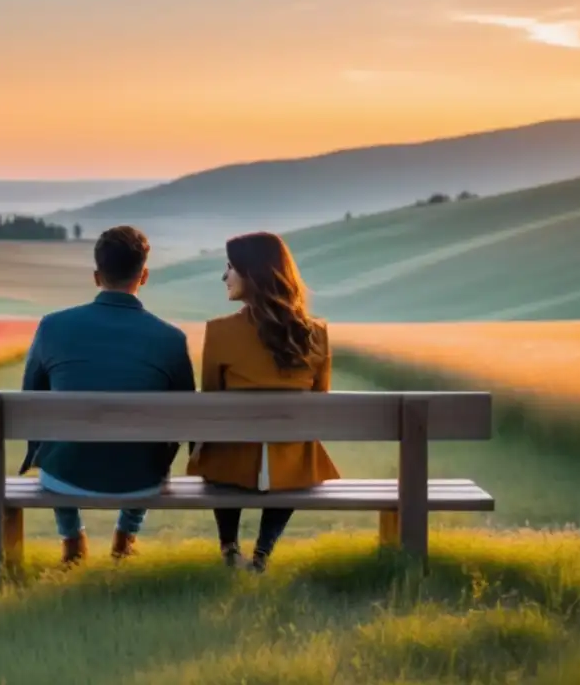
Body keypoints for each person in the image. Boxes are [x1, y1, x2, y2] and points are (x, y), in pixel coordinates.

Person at [18, 225, 196, 565]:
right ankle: (126, 536)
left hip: (64, 478)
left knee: (59, 440)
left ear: (97, 276)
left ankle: (71, 537)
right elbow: (182, 419)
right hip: (141, 480)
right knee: (152, 441)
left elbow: (31, 400)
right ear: (143, 276)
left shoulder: (52, 326)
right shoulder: (171, 338)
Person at [187, 231, 340, 572]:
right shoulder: (316, 332)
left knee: (219, 445)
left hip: (230, 467)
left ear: (252, 273)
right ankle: (262, 554)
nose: (224, 276)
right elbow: (320, 401)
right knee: (296, 450)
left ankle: (228, 546)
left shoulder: (219, 331)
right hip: (292, 468)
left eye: (230, 267)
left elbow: (209, 404)